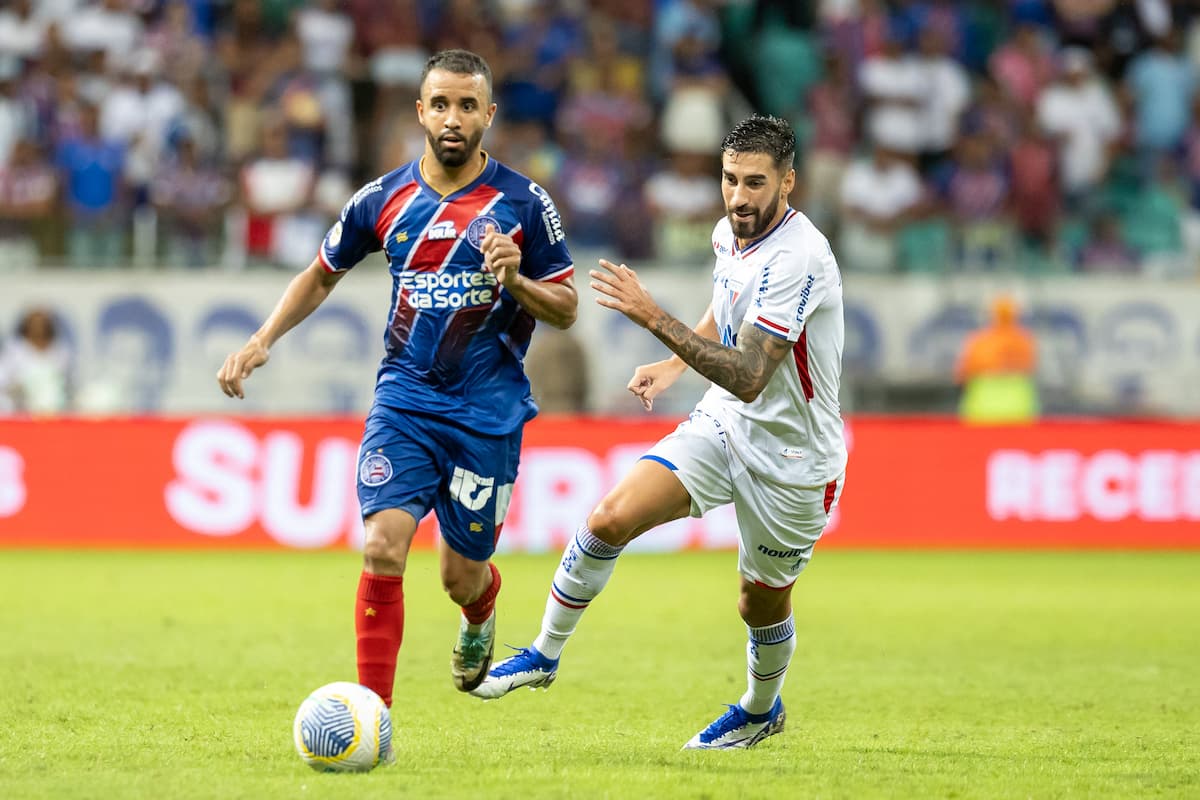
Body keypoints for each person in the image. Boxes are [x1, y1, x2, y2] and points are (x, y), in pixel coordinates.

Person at [216, 50, 577, 715]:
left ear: (488, 116)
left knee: (458, 574)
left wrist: (516, 281)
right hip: (405, 401)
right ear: (420, 111)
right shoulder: (383, 198)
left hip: (486, 412)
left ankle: (481, 608)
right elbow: (321, 272)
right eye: (440, 103)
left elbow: (567, 306)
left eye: (468, 105)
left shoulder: (525, 202)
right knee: (383, 545)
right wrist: (261, 339)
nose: (452, 117)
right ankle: (371, 716)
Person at [471, 114, 847, 751]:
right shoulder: (730, 233)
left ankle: (760, 709)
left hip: (794, 459)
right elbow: (727, 309)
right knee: (610, 517)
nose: (739, 197)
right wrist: (676, 362)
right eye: (730, 179)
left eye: (756, 183)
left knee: (758, 603)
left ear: (789, 181)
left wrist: (651, 317)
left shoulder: (801, 256)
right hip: (725, 422)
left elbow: (754, 373)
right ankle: (543, 652)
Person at [954, 295, 1038, 424]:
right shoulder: (1024, 341)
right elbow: (1030, 367)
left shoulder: (980, 341)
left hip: (983, 406)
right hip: (1018, 406)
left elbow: (962, 375)